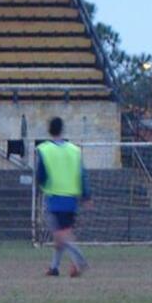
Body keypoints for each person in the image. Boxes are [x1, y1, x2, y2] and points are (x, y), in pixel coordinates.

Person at [37, 117, 91, 277]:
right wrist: (86, 195)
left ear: (49, 130)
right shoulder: (74, 150)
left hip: (55, 198)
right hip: (71, 199)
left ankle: (80, 261)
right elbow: (82, 174)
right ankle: (54, 268)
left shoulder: (45, 150)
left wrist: (41, 185)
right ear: (62, 129)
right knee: (63, 234)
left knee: (60, 236)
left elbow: (41, 175)